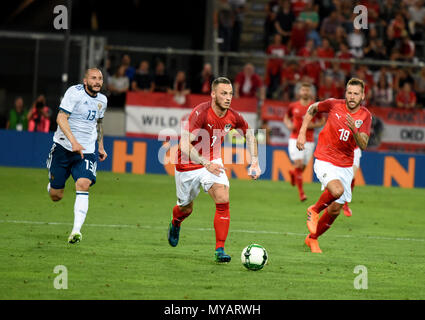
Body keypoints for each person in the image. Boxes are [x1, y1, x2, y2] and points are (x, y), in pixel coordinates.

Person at [167, 77, 261, 262]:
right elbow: (184, 145)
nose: (228, 98)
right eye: (223, 93)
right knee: (185, 208)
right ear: (213, 94)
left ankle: (220, 249)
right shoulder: (200, 113)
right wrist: (204, 162)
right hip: (188, 164)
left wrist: (255, 162)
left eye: (230, 94)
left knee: (222, 198)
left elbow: (250, 136)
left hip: (213, 162)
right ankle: (175, 222)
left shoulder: (233, 116)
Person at [296, 78, 372, 253]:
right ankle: (313, 210)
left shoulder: (365, 116)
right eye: (349, 92)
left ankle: (312, 239)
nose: (352, 97)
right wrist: (302, 132)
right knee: (336, 191)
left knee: (335, 209)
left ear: (362, 96)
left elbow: (364, 144)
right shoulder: (333, 104)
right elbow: (312, 108)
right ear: (345, 92)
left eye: (356, 94)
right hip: (325, 158)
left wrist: (354, 129)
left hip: (345, 163)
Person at [46, 68, 108, 244]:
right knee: (56, 195)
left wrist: (101, 146)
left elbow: (99, 123)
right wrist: (73, 142)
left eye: (100, 79)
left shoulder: (102, 100)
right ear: (85, 80)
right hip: (64, 148)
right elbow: (60, 118)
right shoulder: (74, 93)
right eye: (93, 78)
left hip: (87, 151)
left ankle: (76, 231)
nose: (97, 81)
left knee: (83, 183)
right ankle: (52, 185)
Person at [283, 82, 325, 202]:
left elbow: (323, 121)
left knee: (302, 168)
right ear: (299, 92)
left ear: (310, 92)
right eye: (303, 90)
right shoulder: (293, 106)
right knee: (299, 164)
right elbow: (286, 117)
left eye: (307, 90)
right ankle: (302, 193)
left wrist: (313, 125)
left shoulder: (314, 107)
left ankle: (293, 173)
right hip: (295, 138)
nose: (305, 92)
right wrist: (289, 124)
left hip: (309, 140)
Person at [341, 147, 361, 217]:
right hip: (340, 149)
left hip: (355, 149)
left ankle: (345, 203)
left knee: (351, 176)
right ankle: (329, 204)